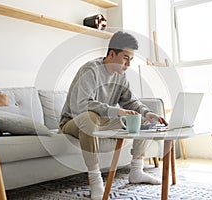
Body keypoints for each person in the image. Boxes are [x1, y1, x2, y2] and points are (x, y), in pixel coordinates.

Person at [60, 31, 168, 200]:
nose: (128, 64)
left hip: (102, 122)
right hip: (73, 121)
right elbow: (82, 105)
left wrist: (147, 113)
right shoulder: (90, 70)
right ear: (111, 54)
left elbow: (131, 102)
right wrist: (117, 111)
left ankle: (137, 171)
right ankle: (95, 182)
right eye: (126, 58)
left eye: (131, 59)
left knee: (141, 120)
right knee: (90, 117)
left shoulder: (121, 77)